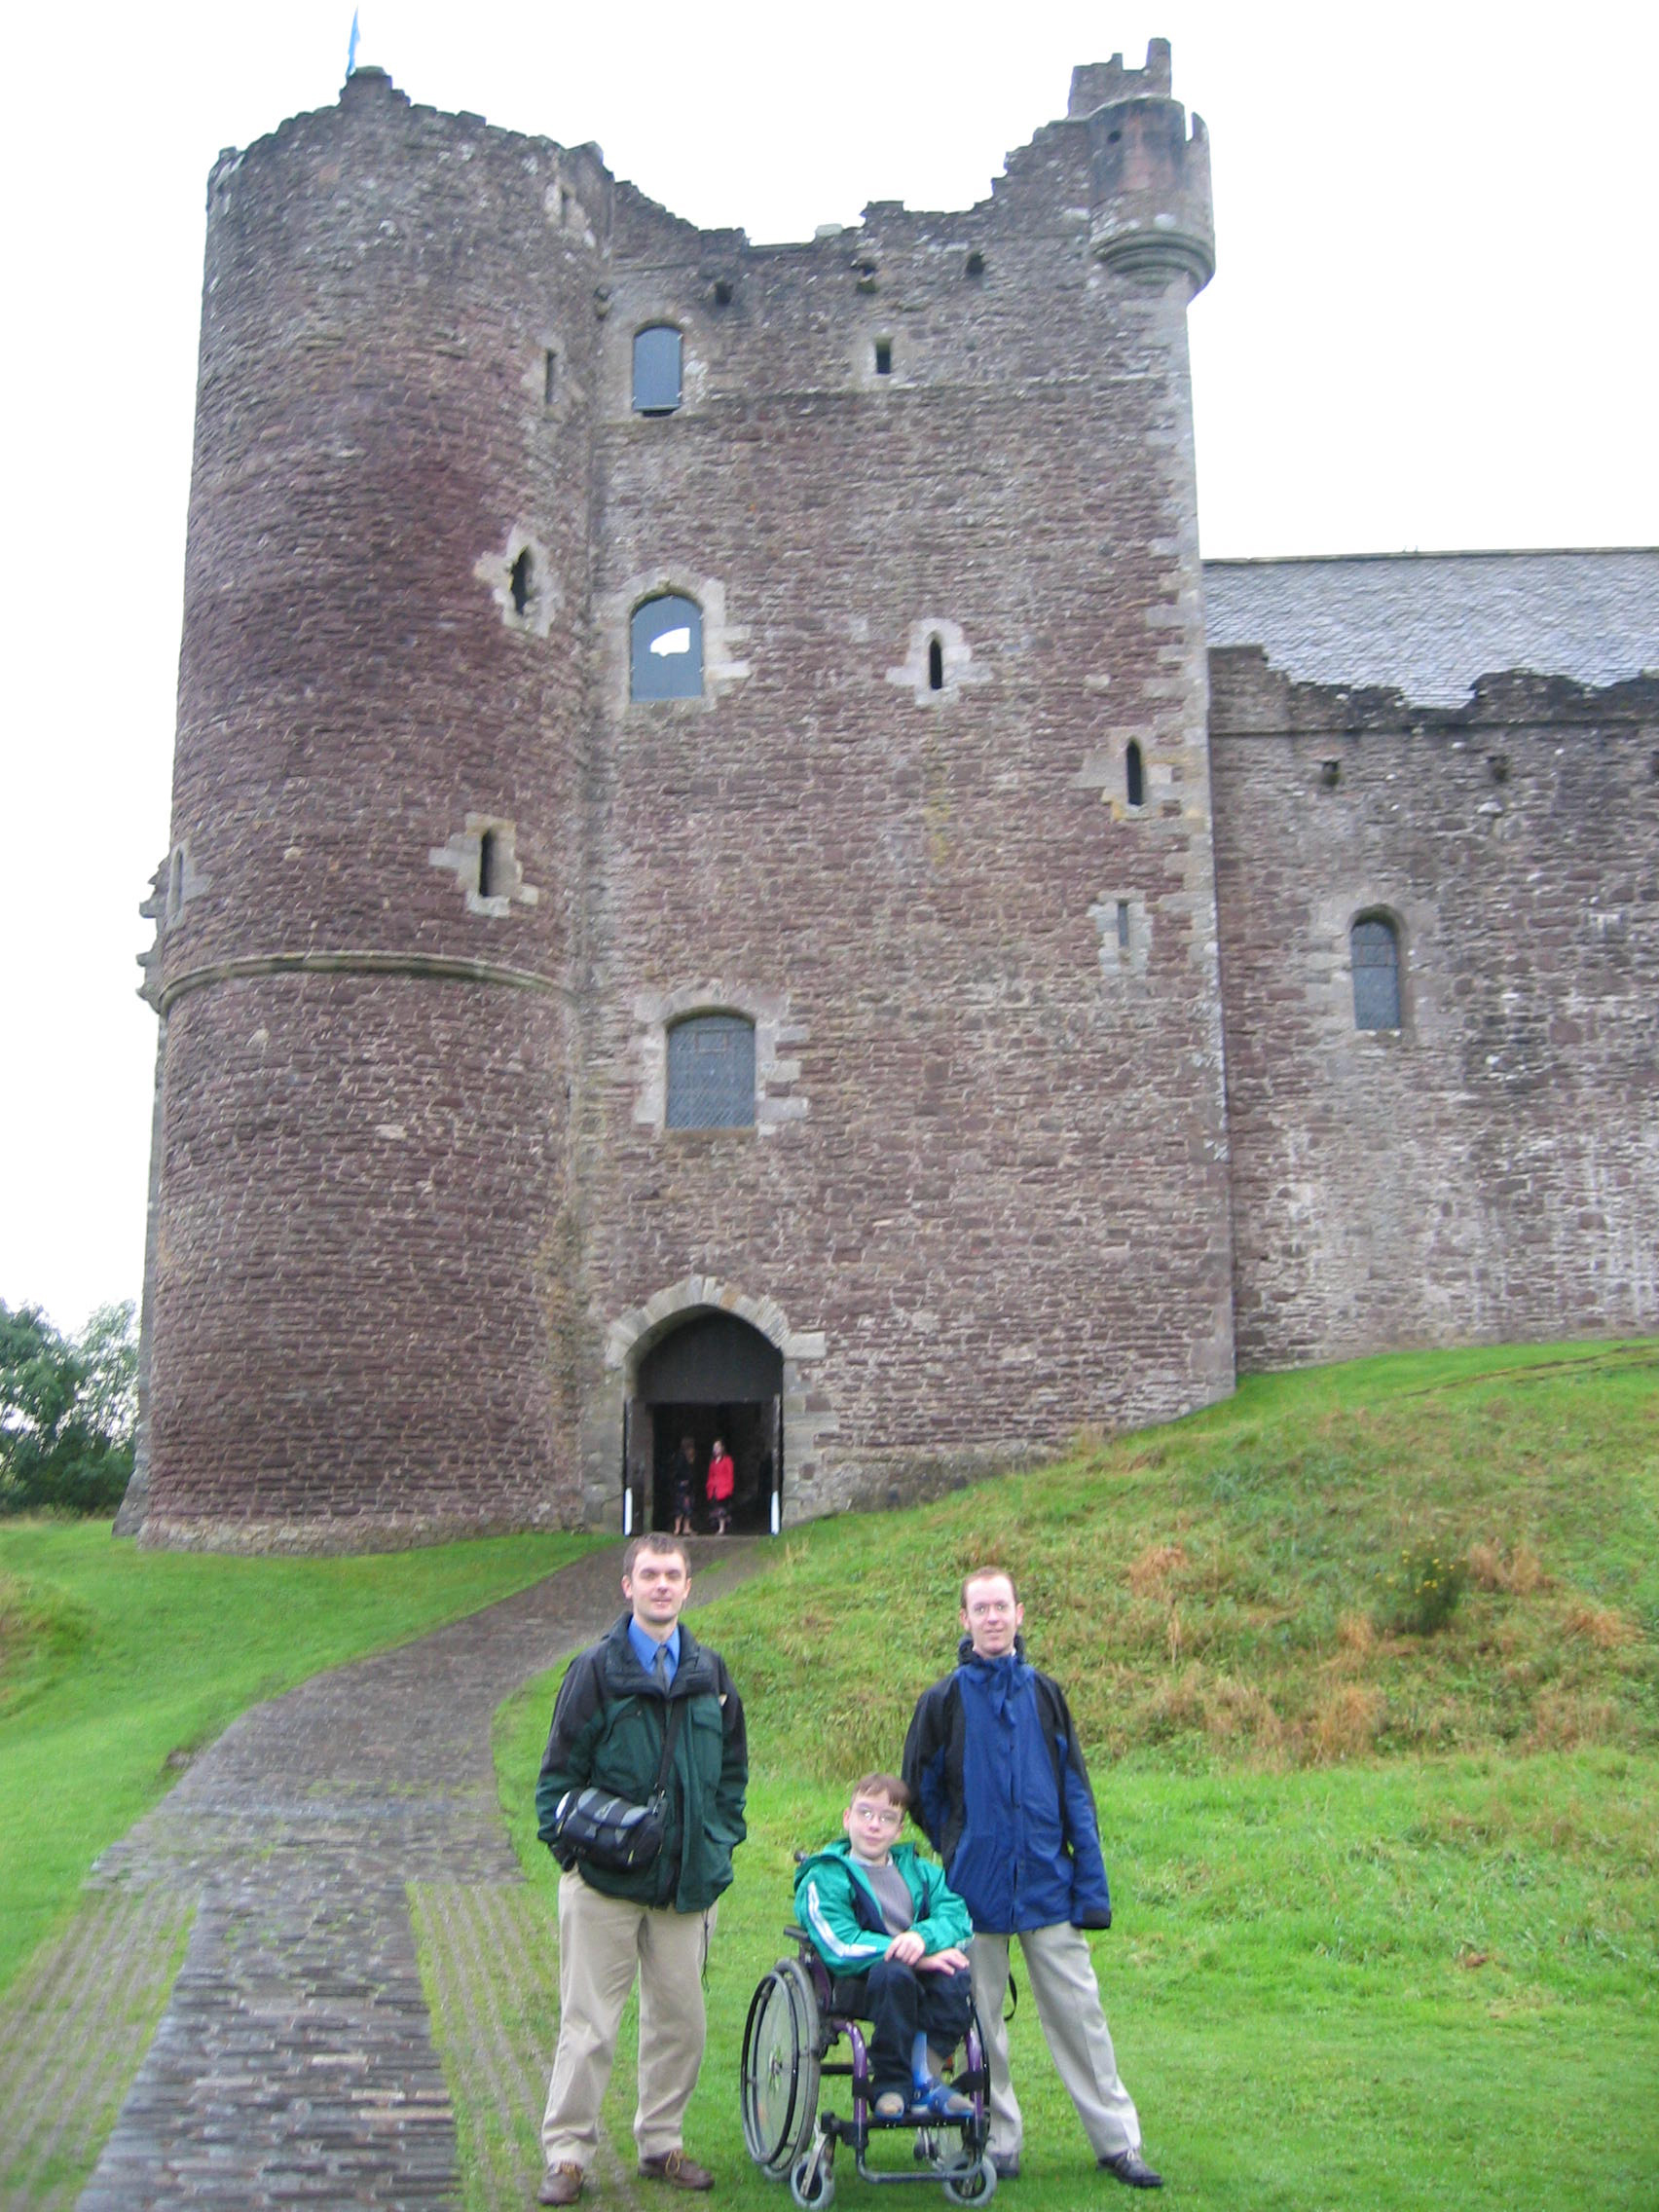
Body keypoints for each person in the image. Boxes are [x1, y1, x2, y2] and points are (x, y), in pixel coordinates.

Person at [903, 1569, 1162, 2190]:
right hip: (973, 1894)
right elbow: (921, 1788)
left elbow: (1077, 1792)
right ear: (963, 1621)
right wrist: (957, 1844)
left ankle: (1118, 2144)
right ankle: (997, 2140)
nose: (993, 1618)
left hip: (1048, 1886)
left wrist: (1090, 1889)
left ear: (1020, 1614)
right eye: (980, 1608)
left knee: (1082, 2018)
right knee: (978, 2024)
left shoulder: (1046, 1695)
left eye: (1002, 1607)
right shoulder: (943, 1701)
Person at [534, 1535, 748, 2205]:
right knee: (589, 2025)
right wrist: (571, 1854)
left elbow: (732, 1774)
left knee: (681, 2022)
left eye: (673, 1575)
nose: (662, 1585)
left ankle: (661, 2143)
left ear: (689, 1587)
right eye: (649, 1574)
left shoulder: (710, 1675)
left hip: (685, 1884)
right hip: (604, 1882)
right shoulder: (595, 1671)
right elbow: (556, 1777)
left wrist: (719, 1839)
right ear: (627, 1585)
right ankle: (567, 2155)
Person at [793, 1774, 975, 2119]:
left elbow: (957, 1916)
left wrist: (921, 1938)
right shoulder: (826, 1876)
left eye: (886, 1818)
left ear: (899, 1829)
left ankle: (925, 2077)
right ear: (847, 1818)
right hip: (858, 1981)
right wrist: (913, 1957)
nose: (874, 1825)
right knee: (896, 1977)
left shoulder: (921, 1872)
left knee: (956, 1975)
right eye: (865, 1814)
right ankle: (891, 2083)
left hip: (920, 1974)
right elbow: (839, 1942)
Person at [705, 1436, 734, 1535]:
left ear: (722, 1448)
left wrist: (729, 1488)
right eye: (714, 1447)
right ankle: (720, 1526)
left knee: (722, 1509)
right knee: (715, 1509)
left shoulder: (727, 1460)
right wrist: (709, 1485)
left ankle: (722, 1528)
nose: (716, 1449)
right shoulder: (712, 1462)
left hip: (723, 1489)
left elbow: (730, 1475)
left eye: (718, 1447)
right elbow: (710, 1475)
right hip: (714, 1489)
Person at [672, 1435, 698, 1536]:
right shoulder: (681, 1458)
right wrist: (682, 1480)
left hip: (688, 1487)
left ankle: (686, 1528)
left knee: (688, 1508)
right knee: (681, 1507)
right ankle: (678, 1528)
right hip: (682, 1487)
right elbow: (678, 1471)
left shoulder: (689, 1458)